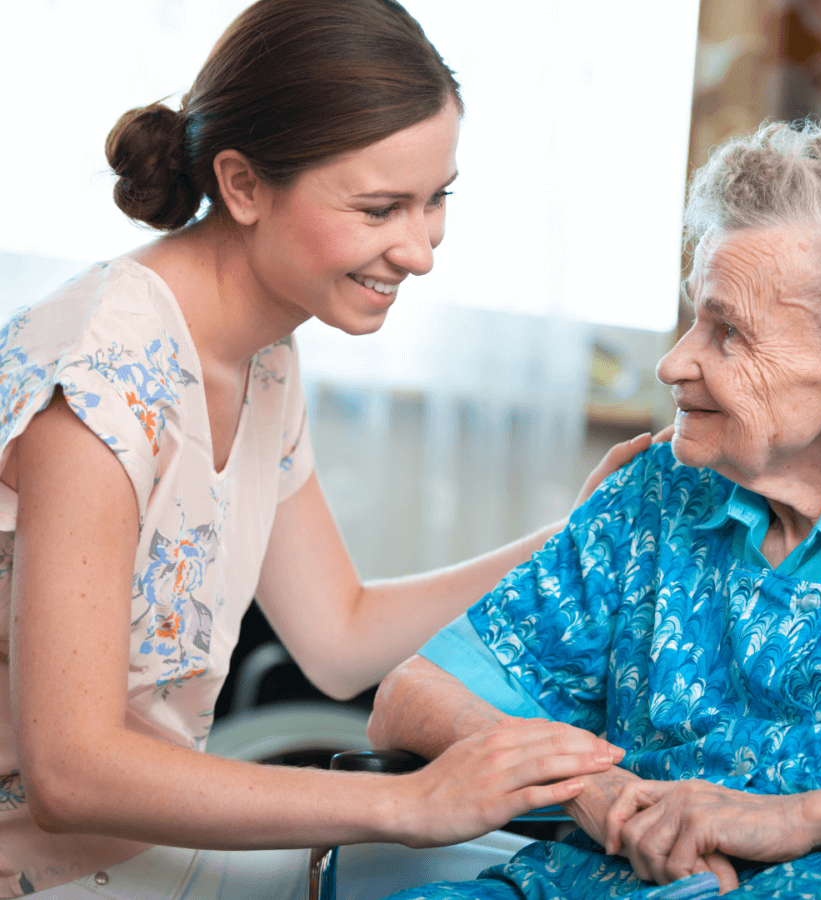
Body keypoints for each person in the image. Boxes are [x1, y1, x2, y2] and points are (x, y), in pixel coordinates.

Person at [0, 1, 660, 896]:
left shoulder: (263, 350)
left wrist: (579, 532)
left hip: (141, 863)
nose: (421, 250)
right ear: (242, 186)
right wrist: (411, 802)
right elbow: (70, 774)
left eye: (437, 201)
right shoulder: (101, 378)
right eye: (380, 207)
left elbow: (339, 637)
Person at [369, 119, 821, 900]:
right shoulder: (659, 490)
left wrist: (799, 817)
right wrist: (587, 789)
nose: (674, 364)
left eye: (728, 332)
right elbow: (409, 697)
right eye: (693, 317)